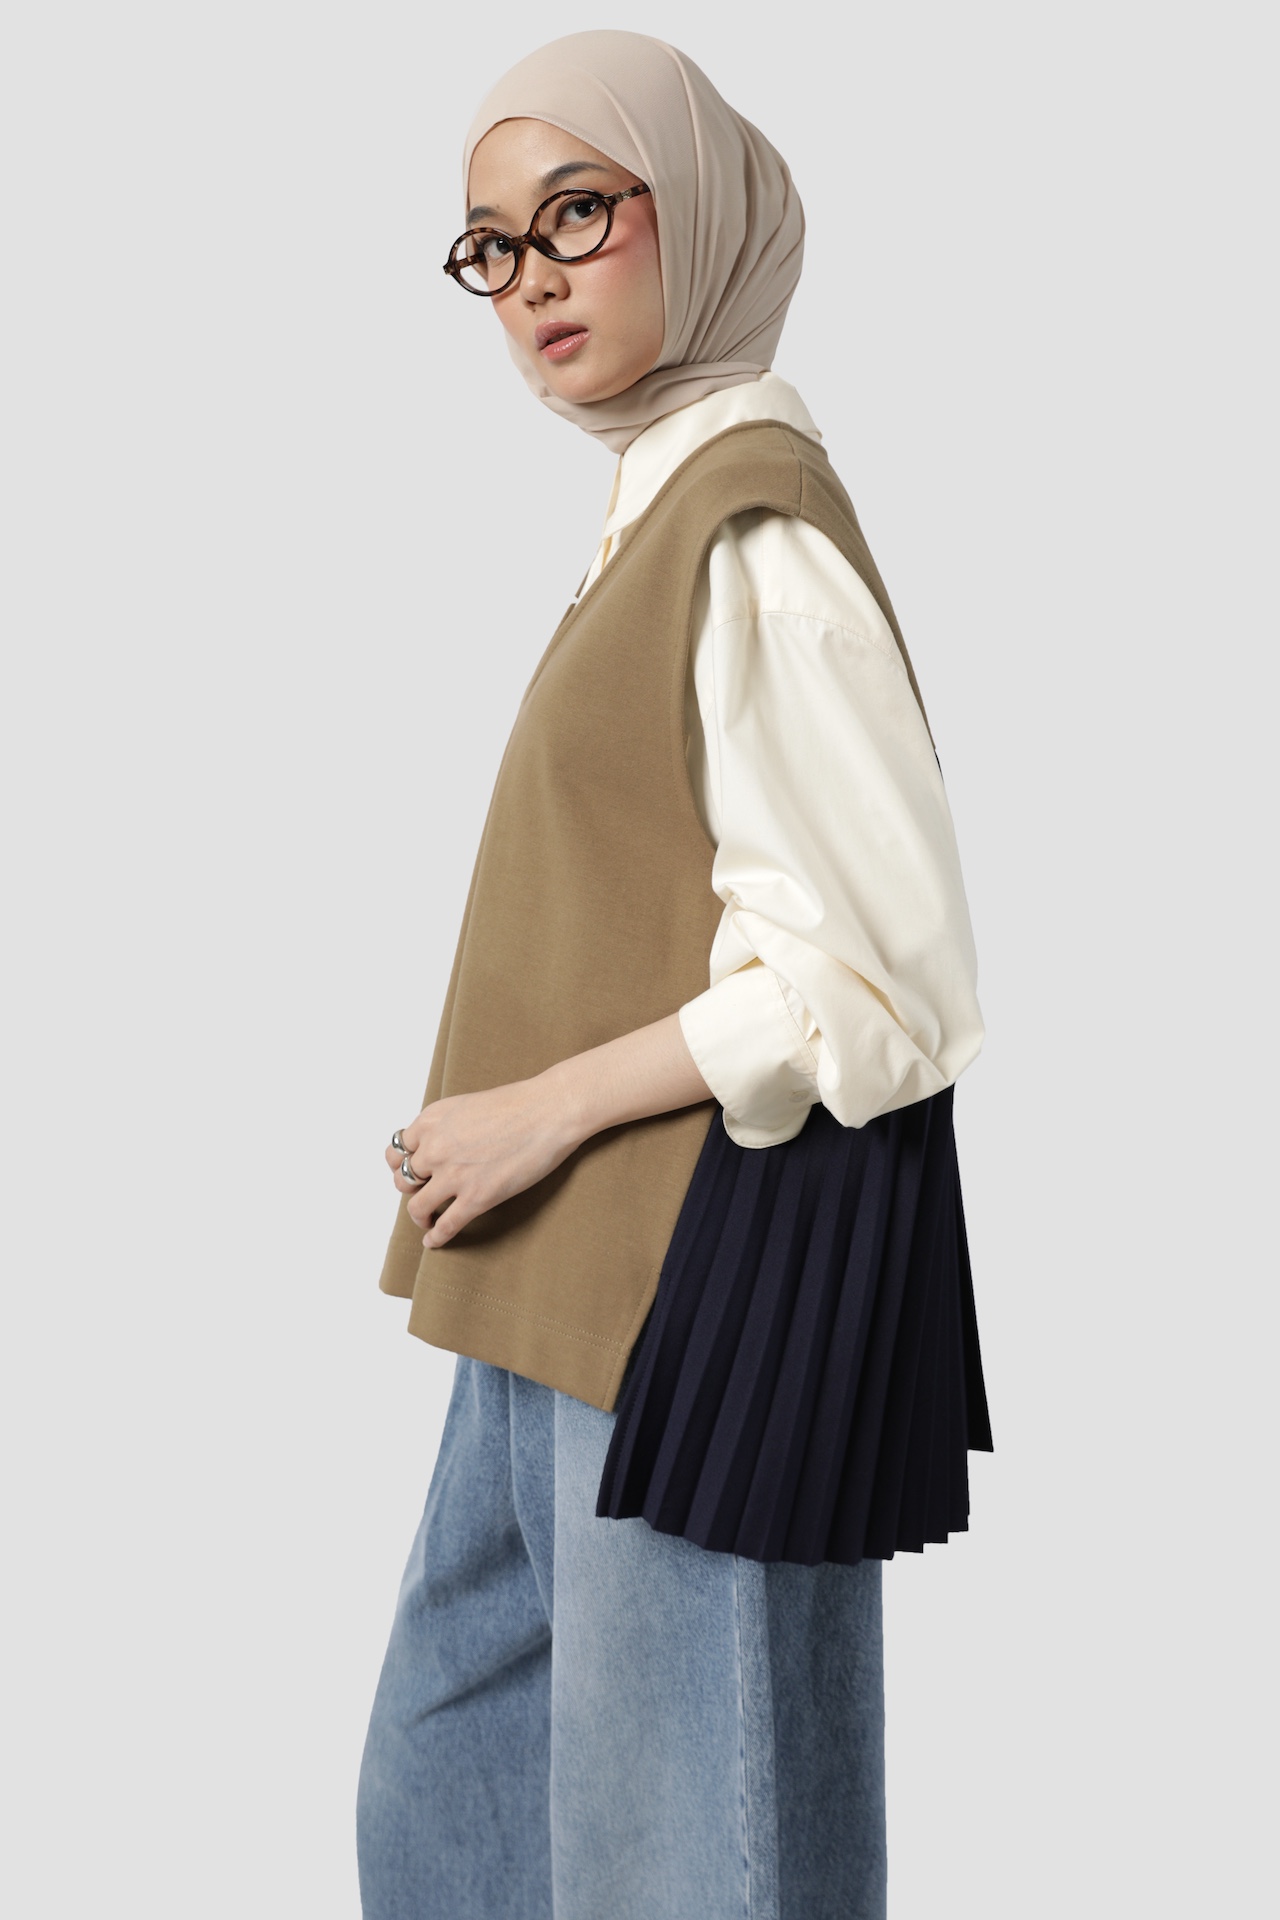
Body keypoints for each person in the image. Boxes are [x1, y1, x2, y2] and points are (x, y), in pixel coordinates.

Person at [357, 31, 990, 1920]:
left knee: (681, 1856)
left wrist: (538, 1114)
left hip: (690, 1294)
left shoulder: (756, 528)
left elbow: (876, 984)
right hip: (551, 1291)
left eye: (576, 213)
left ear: (694, 214)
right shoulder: (662, 503)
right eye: (492, 243)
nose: (530, 277)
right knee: (453, 1800)